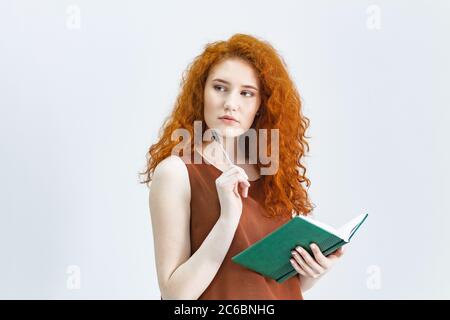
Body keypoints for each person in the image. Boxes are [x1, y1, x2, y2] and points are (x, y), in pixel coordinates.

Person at [140, 33, 345, 300]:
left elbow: (266, 283)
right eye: (220, 87)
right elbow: (175, 296)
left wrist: (310, 272)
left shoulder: (272, 172)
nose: (230, 103)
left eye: (246, 93)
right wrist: (227, 219)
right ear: (200, 93)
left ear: (261, 105)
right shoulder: (176, 173)